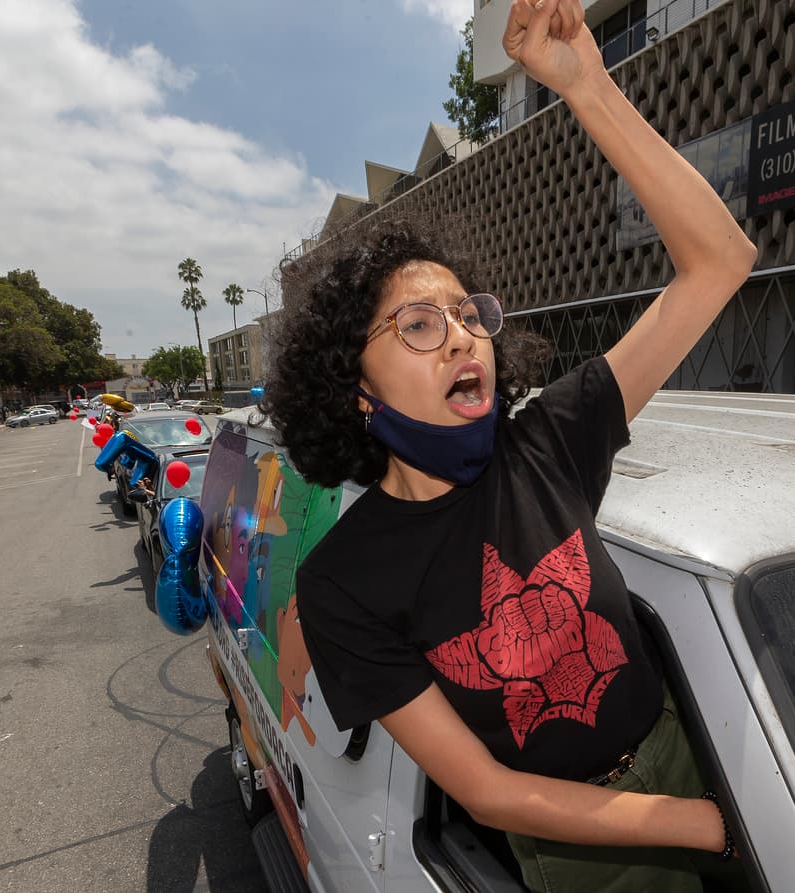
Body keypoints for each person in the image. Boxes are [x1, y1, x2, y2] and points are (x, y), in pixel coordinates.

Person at [263, 1, 757, 890]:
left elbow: (718, 262)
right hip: (581, 850)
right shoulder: (341, 582)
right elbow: (488, 791)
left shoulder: (552, 442)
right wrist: (716, 826)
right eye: (419, 324)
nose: (461, 337)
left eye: (468, 315)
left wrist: (588, 87)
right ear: (355, 389)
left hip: (707, 763)